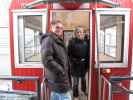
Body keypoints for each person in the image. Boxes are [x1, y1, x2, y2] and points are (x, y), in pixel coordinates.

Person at [40, 20, 72, 100]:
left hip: (58, 79)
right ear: (51, 28)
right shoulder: (49, 40)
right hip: (58, 78)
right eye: (57, 27)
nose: (59, 29)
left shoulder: (57, 39)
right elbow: (46, 60)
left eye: (61, 28)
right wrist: (61, 70)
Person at [68, 26, 89, 98]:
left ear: (83, 33)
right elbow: (69, 55)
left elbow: (87, 55)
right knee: (75, 82)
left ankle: (84, 90)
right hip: (75, 65)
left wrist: (87, 65)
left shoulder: (86, 43)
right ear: (75, 33)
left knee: (84, 80)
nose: (79, 33)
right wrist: (75, 61)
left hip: (83, 65)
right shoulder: (71, 42)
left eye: (81, 32)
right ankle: (75, 95)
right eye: (78, 32)